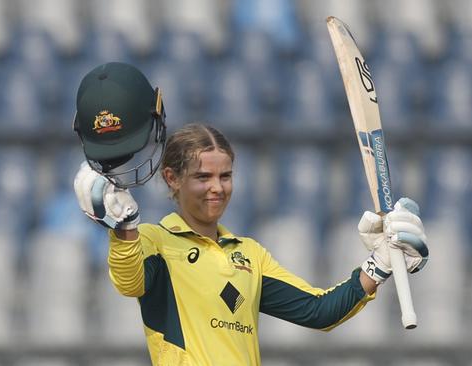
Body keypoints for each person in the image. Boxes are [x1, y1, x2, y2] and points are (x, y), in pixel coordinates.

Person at [72, 63, 429, 365]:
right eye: (203, 177)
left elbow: (319, 312)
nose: (217, 188)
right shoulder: (155, 242)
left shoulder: (250, 255)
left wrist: (379, 263)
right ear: (172, 178)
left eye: (225, 176)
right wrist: (124, 229)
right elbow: (129, 282)